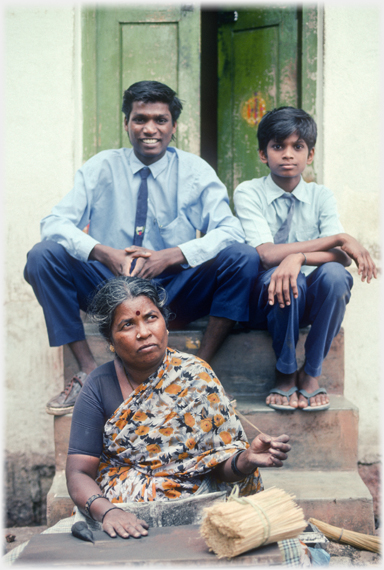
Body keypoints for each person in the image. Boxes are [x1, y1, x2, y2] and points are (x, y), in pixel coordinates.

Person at [23, 80, 260, 416]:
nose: (150, 129)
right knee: (43, 255)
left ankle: (197, 371)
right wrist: (103, 252)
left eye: (160, 120)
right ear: (126, 124)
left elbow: (230, 229)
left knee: (243, 256)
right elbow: (55, 222)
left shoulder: (194, 171)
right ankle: (89, 369)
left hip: (174, 290)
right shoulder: (101, 167)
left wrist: (175, 254)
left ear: (173, 126)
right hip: (109, 288)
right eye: (140, 119)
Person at [66, 276, 291, 537]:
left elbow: (219, 467)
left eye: (151, 317)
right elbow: (79, 472)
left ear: (165, 323)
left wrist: (247, 459)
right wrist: (107, 511)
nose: (143, 332)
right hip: (125, 509)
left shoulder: (196, 377)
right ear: (111, 340)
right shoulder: (98, 385)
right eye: (127, 324)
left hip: (198, 503)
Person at [234, 107, 377, 412]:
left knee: (334, 276)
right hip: (263, 300)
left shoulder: (321, 196)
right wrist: (338, 237)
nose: (288, 155)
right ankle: (285, 374)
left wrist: (298, 256)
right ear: (263, 154)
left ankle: (310, 374)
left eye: (297, 147)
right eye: (278, 146)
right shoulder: (248, 192)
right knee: (288, 276)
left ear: (310, 155)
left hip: (307, 299)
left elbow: (341, 259)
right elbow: (267, 254)